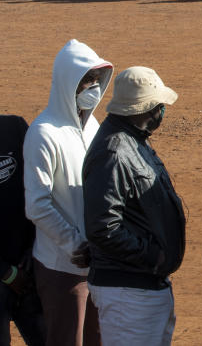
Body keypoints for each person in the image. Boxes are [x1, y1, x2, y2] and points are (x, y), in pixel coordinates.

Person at [81, 67, 182, 346]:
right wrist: (152, 256)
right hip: (128, 293)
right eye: (157, 105)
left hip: (142, 288)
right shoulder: (113, 151)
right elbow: (103, 227)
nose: (162, 110)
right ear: (142, 109)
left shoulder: (132, 140)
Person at [24, 39, 113, 346]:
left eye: (95, 80)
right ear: (68, 83)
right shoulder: (43, 133)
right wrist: (75, 244)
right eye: (85, 81)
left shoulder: (92, 126)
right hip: (63, 268)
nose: (93, 88)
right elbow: (37, 205)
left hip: (98, 263)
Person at [0, 114, 46, 346]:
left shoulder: (14, 128)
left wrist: (33, 250)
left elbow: (42, 187)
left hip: (29, 269)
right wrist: (6, 272)